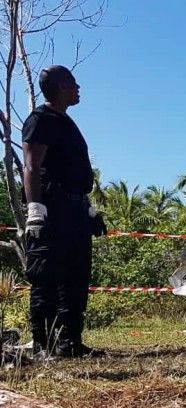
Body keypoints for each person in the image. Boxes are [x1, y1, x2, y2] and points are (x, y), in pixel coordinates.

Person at [22, 65, 107, 358]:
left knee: (76, 275)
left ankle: (69, 343)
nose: (78, 87)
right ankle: (42, 347)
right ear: (59, 87)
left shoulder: (66, 123)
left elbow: (73, 172)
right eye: (73, 82)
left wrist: (89, 208)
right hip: (52, 209)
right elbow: (31, 166)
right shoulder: (40, 120)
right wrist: (35, 208)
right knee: (47, 275)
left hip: (75, 210)